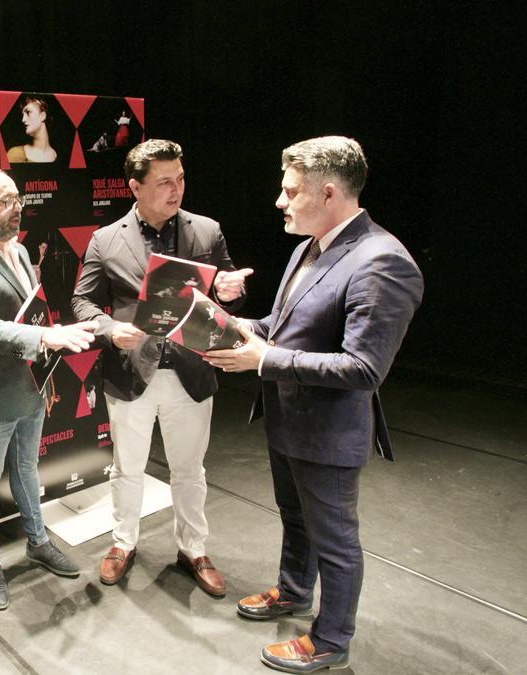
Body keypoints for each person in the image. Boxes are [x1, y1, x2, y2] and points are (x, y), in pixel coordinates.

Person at [203, 136, 423, 673]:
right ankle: (295, 592)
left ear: (328, 193)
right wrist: (223, 324)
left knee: (336, 542)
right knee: (295, 520)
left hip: (328, 430)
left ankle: (330, 639)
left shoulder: (384, 262)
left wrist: (264, 360)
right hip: (288, 419)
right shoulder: (309, 245)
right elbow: (282, 331)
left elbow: (363, 369)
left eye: (290, 191)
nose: (280, 201)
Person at [71, 139, 254, 594]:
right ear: (135, 186)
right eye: (165, 182)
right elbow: (82, 301)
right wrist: (110, 328)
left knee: (190, 470)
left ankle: (193, 548)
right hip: (131, 372)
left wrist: (230, 293)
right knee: (127, 469)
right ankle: (122, 542)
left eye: (181, 179)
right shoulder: (106, 239)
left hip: (192, 371)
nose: (177, 190)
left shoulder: (206, 231)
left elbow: (226, 290)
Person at [0, 166, 97, 610]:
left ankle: (37, 541)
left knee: (27, 468)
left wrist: (48, 343)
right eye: (6, 202)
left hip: (32, 384)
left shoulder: (23, 250)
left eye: (18, 200)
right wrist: (42, 338)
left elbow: (32, 312)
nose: (17, 209)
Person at [5, 96, 57, 163]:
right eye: (23, 115)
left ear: (42, 116)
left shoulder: (59, 155)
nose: (23, 120)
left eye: (28, 112)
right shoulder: (15, 154)